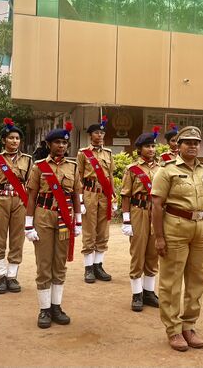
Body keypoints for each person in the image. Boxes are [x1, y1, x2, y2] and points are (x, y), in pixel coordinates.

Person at [151, 126, 203, 351]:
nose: (192, 145)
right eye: (187, 142)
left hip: (201, 228)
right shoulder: (166, 170)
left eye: (195, 142)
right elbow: (157, 205)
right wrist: (159, 237)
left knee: (197, 279)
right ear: (178, 145)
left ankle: (189, 325)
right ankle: (172, 329)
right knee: (171, 280)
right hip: (175, 227)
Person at [25, 122, 82, 329]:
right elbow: (31, 196)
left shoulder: (73, 166)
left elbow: (76, 195)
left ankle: (56, 306)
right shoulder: (39, 166)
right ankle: (44, 309)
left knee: (59, 263)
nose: (61, 146)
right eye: (57, 142)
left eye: (64, 143)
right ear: (49, 144)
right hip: (43, 216)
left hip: (65, 218)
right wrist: (29, 224)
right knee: (44, 264)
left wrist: (78, 221)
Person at [0, 118, 33, 294]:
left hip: (20, 201)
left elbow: (30, 184)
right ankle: (0, 276)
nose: (14, 141)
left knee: (16, 239)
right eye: (11, 138)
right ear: (4, 140)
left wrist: (30, 209)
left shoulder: (28, 160)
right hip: (0, 200)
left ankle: (12, 277)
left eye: (17, 138)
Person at [120, 127, 161, 312]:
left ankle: (149, 292)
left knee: (153, 252)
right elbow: (126, 195)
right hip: (139, 211)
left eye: (153, 146)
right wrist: (126, 219)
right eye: (147, 146)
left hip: (157, 212)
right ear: (139, 149)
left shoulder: (162, 169)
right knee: (138, 252)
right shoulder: (132, 170)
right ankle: (136, 294)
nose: (151, 149)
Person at [77, 116, 115, 283]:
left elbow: (111, 176)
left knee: (103, 230)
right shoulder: (83, 153)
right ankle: (88, 268)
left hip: (105, 195)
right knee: (89, 230)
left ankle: (98, 265)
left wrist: (113, 196)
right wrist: (80, 199)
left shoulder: (108, 153)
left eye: (102, 133)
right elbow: (78, 176)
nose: (99, 135)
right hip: (89, 193)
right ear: (90, 135)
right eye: (96, 133)